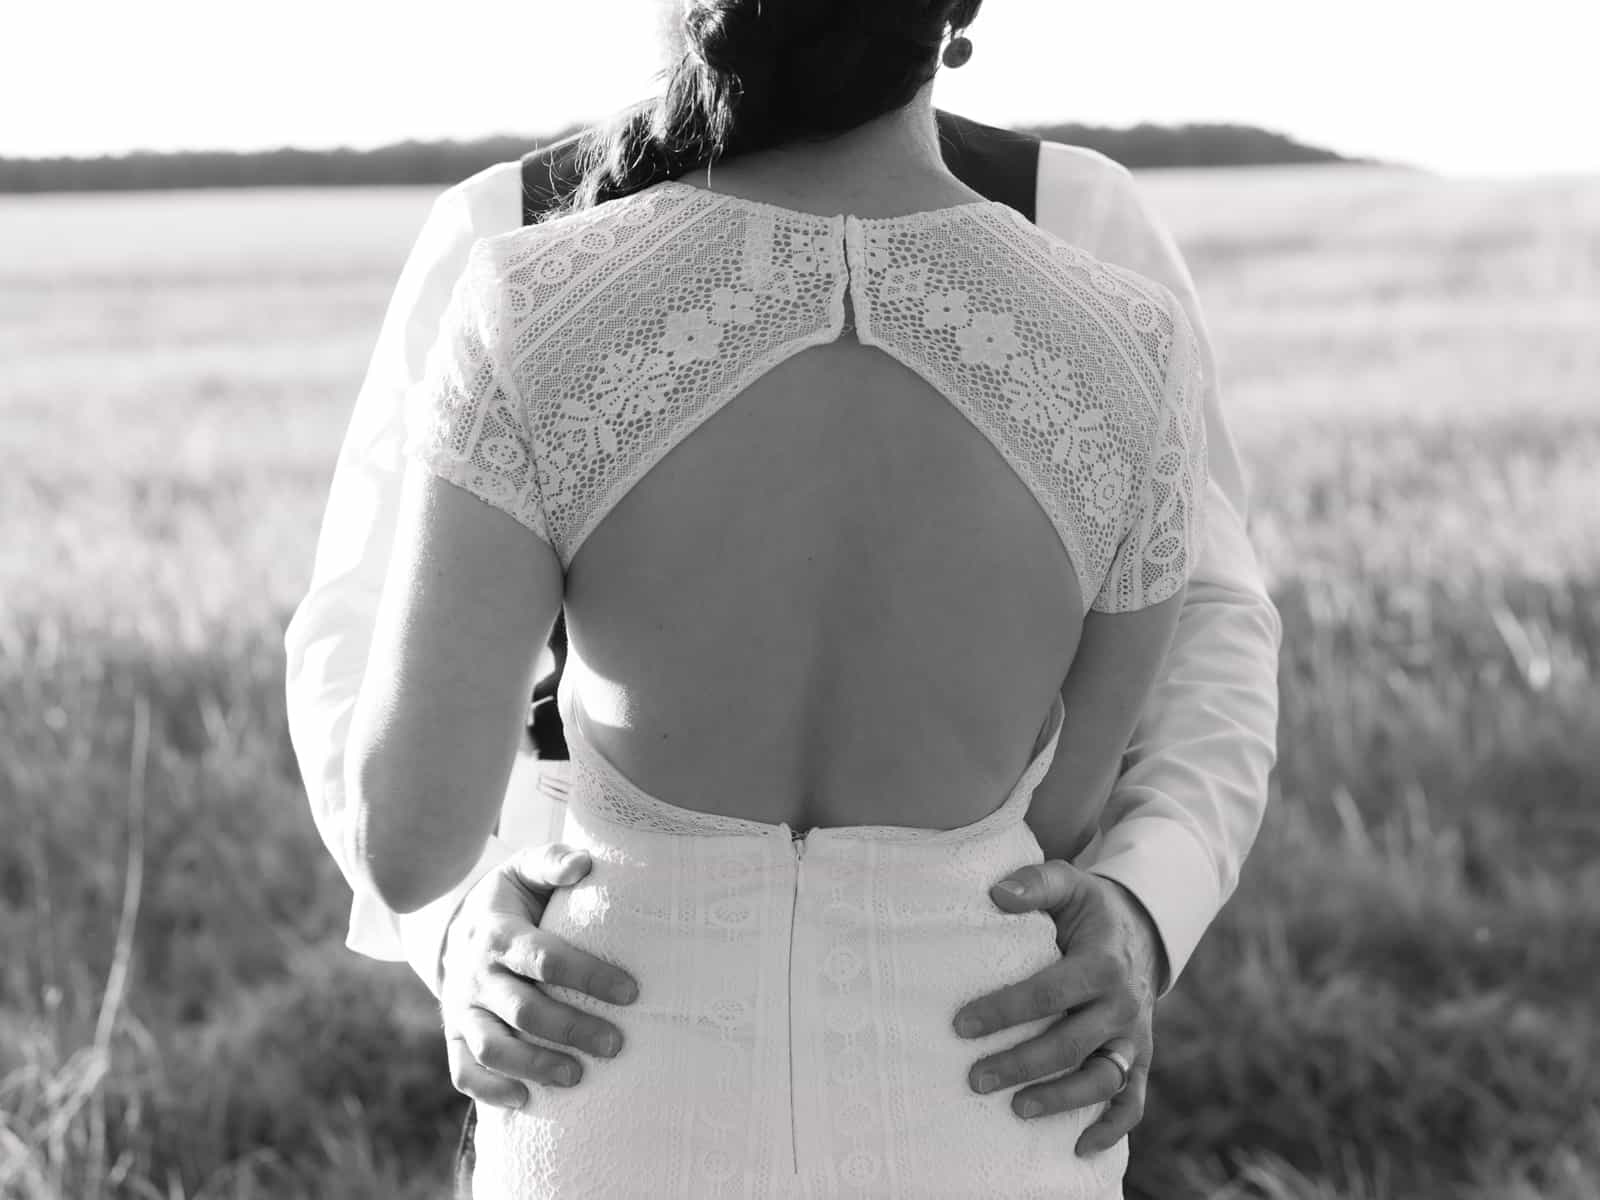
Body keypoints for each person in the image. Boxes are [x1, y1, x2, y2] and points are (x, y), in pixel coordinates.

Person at [284, 1, 1282, 1194]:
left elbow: (401, 825)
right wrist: (457, 938)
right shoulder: (1130, 336)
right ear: (956, 10)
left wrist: (1142, 903)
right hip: (985, 1080)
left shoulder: (522, 290)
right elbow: (1056, 816)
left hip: (611, 1065)